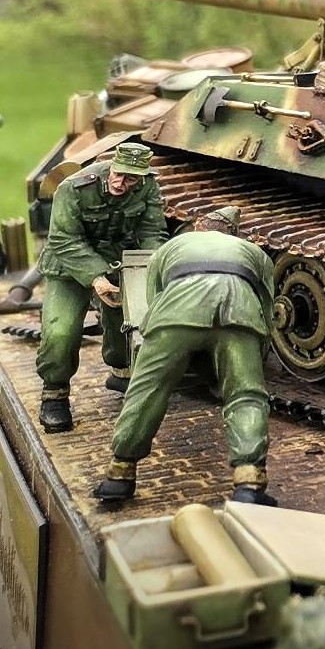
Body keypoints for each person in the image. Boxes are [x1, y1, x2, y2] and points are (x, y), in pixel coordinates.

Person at [91, 206, 277, 507]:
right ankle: (249, 482)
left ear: (199, 227)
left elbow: (153, 297)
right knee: (246, 395)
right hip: (238, 313)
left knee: (147, 390)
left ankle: (119, 474)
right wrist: (254, 351)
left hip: (175, 313)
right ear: (233, 234)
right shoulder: (254, 252)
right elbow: (267, 310)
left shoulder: (172, 246)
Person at [36, 141, 167, 433]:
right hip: (69, 265)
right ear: (112, 167)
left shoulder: (147, 187)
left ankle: (122, 372)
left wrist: (152, 268)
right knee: (60, 331)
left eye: (131, 179)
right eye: (118, 175)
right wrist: (96, 278)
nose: (121, 184)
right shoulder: (74, 188)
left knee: (129, 324)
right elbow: (64, 240)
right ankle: (54, 394)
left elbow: (152, 231)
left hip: (117, 261)